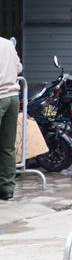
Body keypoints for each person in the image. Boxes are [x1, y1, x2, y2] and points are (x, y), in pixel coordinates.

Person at [0, 35, 23, 200]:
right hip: (13, 97)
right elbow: (19, 68)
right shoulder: (8, 44)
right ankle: (7, 189)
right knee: (7, 147)